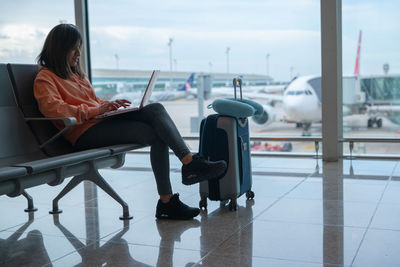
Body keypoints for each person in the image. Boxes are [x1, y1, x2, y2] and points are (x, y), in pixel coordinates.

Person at [33, 24, 227, 220]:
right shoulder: (45, 78)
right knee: (157, 132)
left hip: (99, 122)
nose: (78, 54)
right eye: (74, 49)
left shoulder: (77, 75)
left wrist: (108, 105)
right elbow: (53, 109)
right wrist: (96, 109)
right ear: (59, 49)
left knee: (155, 109)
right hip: (82, 133)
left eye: (79, 48)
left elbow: (92, 102)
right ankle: (180, 181)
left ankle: (180, 178)